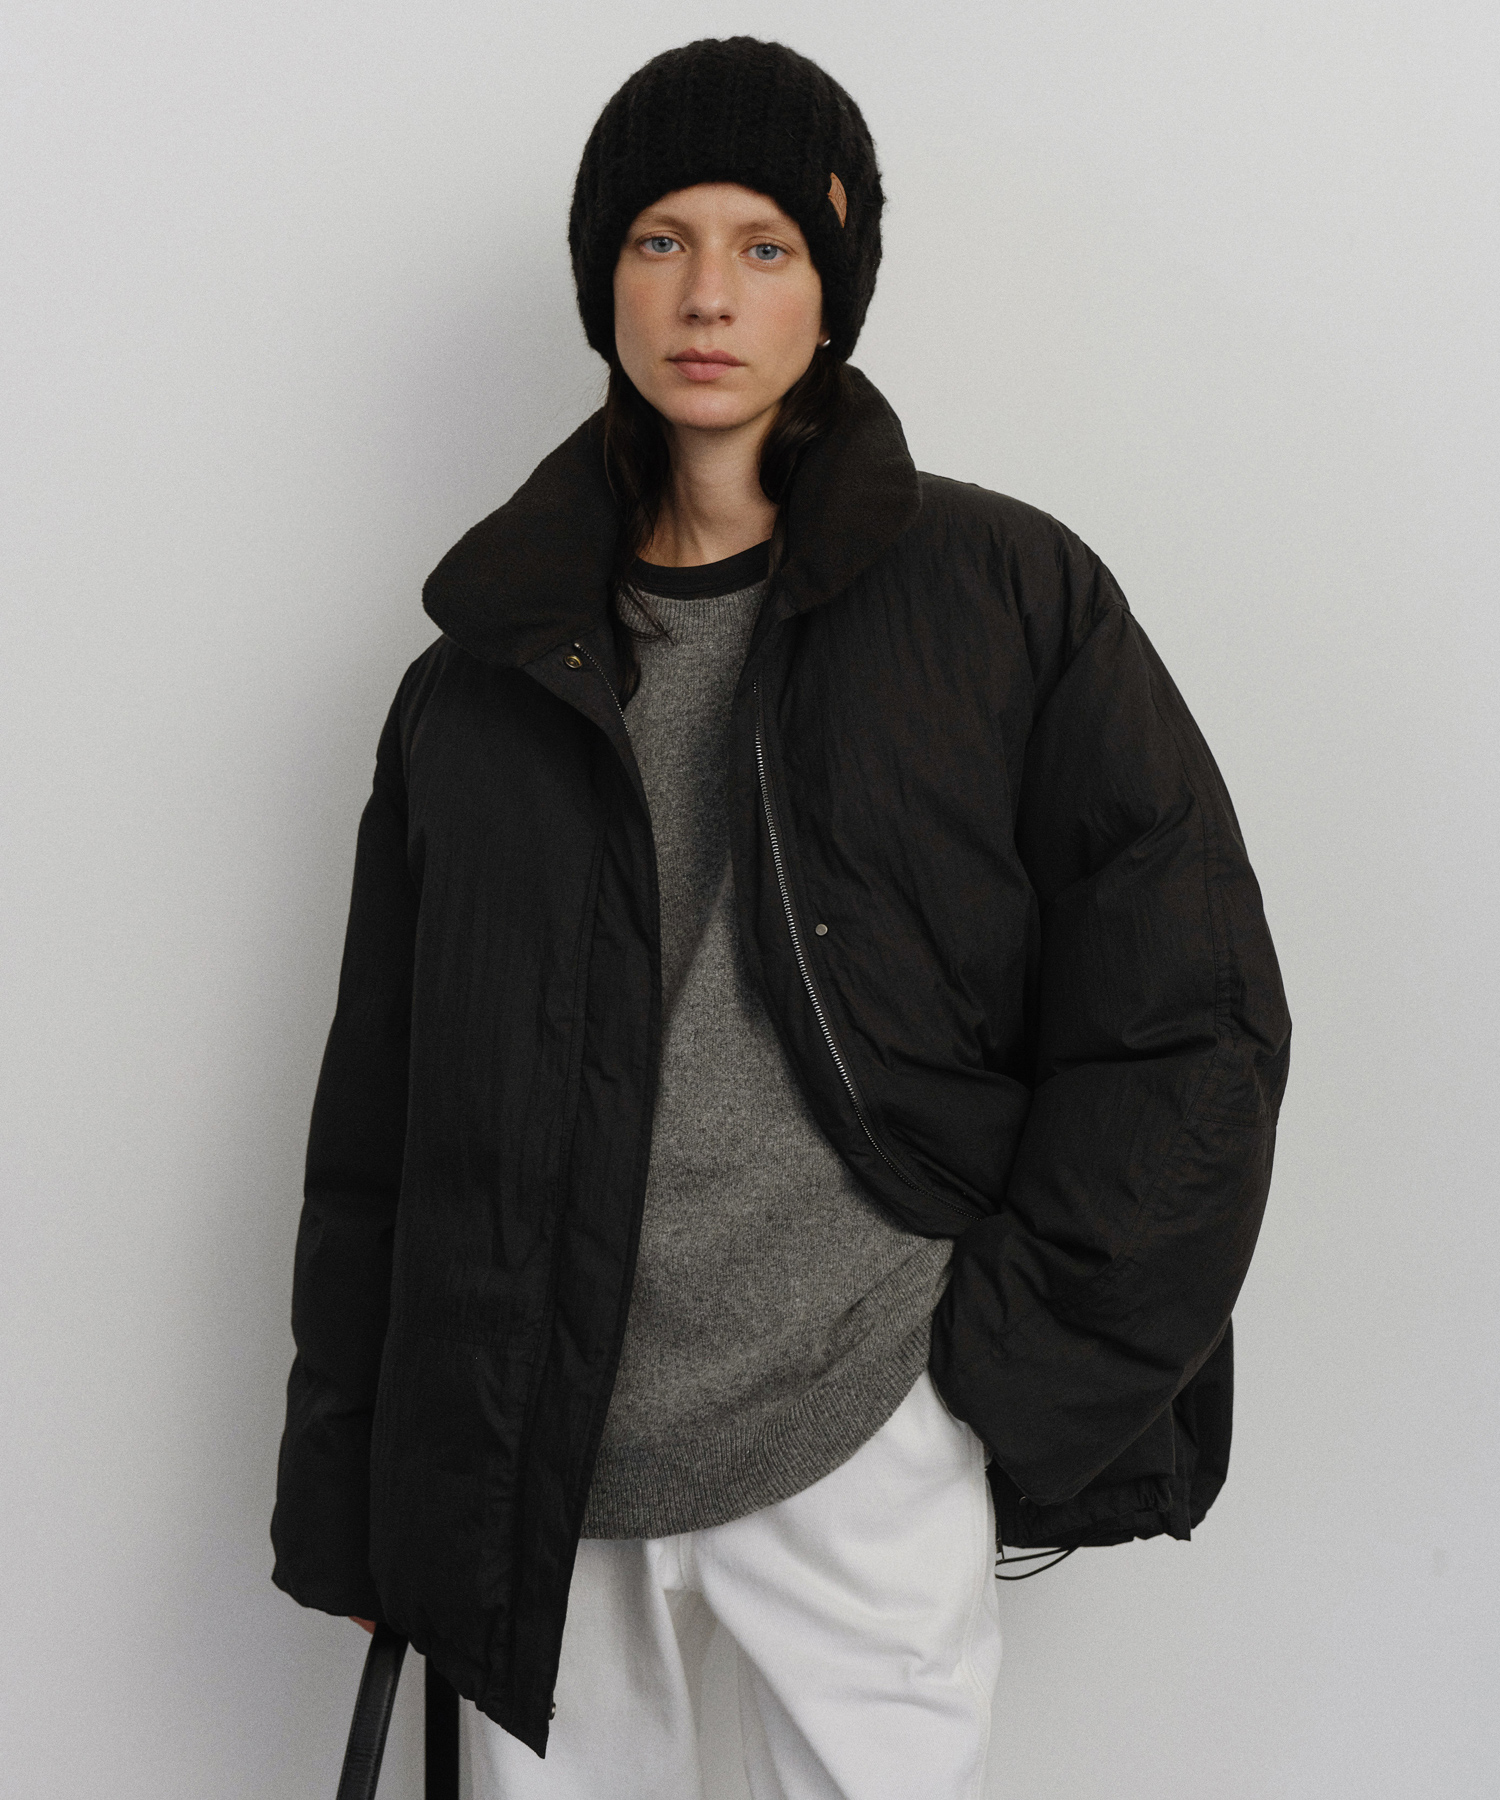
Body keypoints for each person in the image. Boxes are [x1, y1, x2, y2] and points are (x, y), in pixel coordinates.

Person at [270, 35, 1291, 1800]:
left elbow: (1189, 1017)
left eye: (766, 244)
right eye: (660, 239)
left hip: (862, 1431)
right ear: (603, 279)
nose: (708, 295)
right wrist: (365, 1498)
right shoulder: (476, 680)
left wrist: (997, 1379)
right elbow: (382, 1124)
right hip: (542, 1466)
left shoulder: (1005, 596)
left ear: (834, 290)